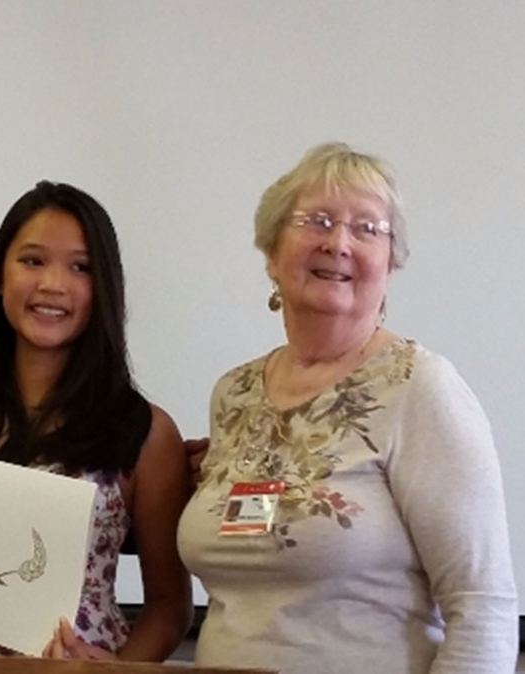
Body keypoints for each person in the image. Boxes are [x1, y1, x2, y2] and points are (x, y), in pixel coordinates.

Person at [177, 142, 518, 673]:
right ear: (270, 252)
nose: (338, 242)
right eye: (317, 221)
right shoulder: (234, 393)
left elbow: (483, 610)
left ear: (389, 264)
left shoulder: (419, 387)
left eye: (367, 229)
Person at [0, 181, 193, 661]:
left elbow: (170, 606)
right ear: (1, 277)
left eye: (80, 267)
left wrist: (119, 673)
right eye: (32, 260)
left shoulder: (145, 433)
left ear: (103, 287)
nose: (52, 284)